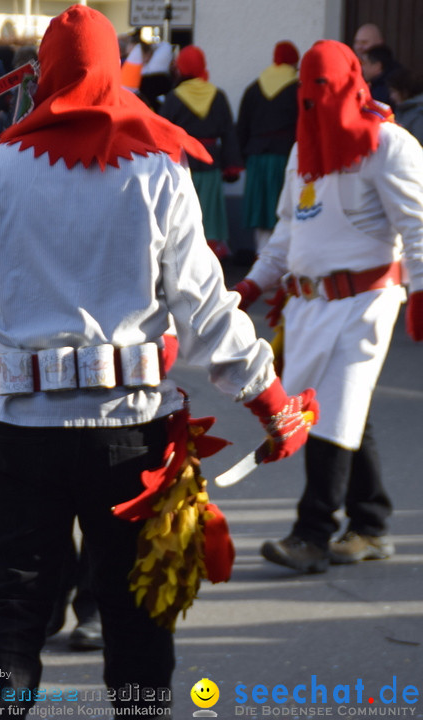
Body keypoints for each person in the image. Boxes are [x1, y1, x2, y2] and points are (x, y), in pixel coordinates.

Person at [0, 7, 317, 717]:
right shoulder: (156, 172)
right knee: (135, 615)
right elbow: (206, 310)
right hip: (128, 436)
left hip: (19, 431)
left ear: (43, 75)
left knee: (13, 606)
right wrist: (269, 398)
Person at [234, 40, 423, 575]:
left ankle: (311, 534)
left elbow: (418, 226)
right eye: (307, 87)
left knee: (330, 412)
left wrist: (421, 295)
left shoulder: (391, 144)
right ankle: (371, 522)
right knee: (344, 411)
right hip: (309, 307)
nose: (315, 97)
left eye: (325, 85)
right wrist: (251, 286)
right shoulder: (303, 148)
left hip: (366, 301)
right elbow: (287, 234)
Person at [160, 45, 244, 261]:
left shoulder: (173, 97)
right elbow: (228, 132)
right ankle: (210, 254)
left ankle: (182, 255)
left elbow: (162, 132)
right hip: (210, 162)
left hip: (181, 164)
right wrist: (231, 165)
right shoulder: (217, 95)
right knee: (210, 212)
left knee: (181, 211)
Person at [237, 41, 299, 256]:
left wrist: (241, 159)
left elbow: (242, 126)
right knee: (283, 211)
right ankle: (282, 258)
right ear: (294, 61)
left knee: (260, 211)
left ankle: (261, 255)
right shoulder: (298, 89)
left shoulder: (254, 88)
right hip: (285, 156)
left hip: (256, 157)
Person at [388, 67, 423, 145]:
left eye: (393, 91)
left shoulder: (419, 114)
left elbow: (418, 144)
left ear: (405, 92)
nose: (391, 96)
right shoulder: (404, 110)